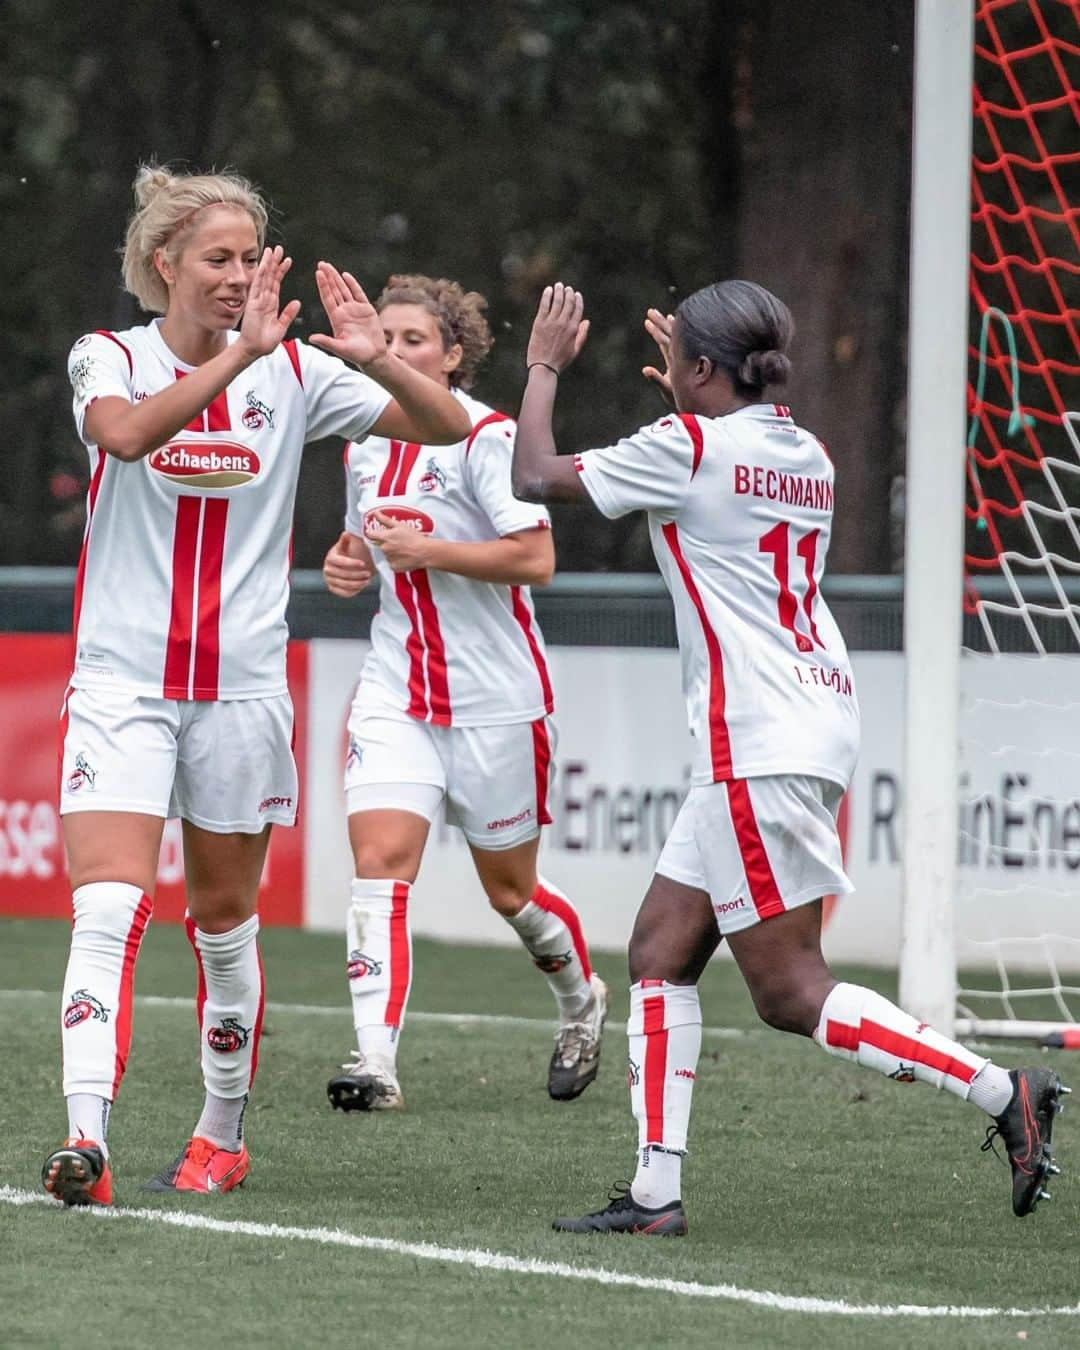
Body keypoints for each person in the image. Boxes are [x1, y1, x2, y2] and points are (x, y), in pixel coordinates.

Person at [510, 279, 1068, 1233]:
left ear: (696, 369)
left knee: (788, 988)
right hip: (809, 714)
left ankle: (1000, 1090)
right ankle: (654, 1197)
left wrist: (543, 365)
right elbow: (718, 483)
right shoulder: (804, 449)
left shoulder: (685, 446)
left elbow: (533, 476)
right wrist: (686, 400)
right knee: (658, 953)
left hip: (754, 735)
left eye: (684, 356)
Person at [43, 167, 472, 1208]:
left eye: (249, 259)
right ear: (165, 267)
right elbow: (126, 438)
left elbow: (449, 427)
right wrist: (240, 357)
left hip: (239, 691)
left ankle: (219, 1136)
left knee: (224, 925)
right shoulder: (111, 357)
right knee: (106, 908)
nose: (238, 279)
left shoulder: (295, 374)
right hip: (123, 684)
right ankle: (84, 1141)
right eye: (218, 260)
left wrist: (380, 365)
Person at [320, 273, 607, 1113]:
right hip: (396, 689)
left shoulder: (487, 437)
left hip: (496, 702)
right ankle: (374, 1064)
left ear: (453, 356)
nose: (395, 351)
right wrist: (347, 561)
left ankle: (580, 1000)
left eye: (414, 341)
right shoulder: (364, 439)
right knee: (379, 865)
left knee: (511, 895)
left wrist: (432, 552)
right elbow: (362, 542)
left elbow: (536, 560)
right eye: (388, 336)